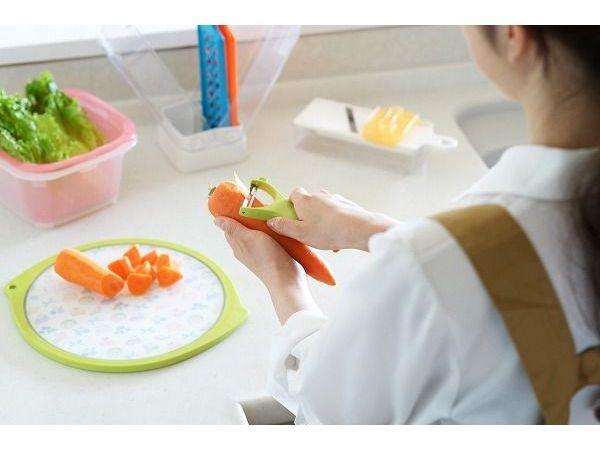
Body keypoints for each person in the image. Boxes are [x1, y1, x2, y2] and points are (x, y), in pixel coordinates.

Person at [213, 26, 600, 424]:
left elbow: (328, 419)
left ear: (513, 34)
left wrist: (283, 281)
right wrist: (374, 229)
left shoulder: (428, 272)